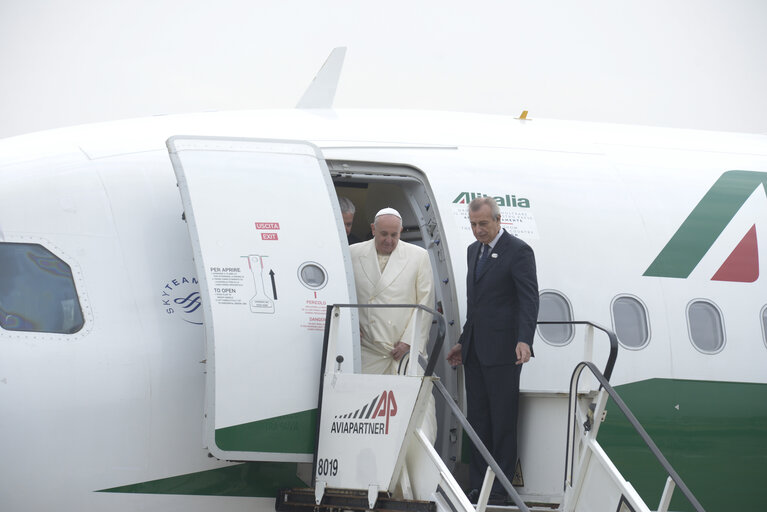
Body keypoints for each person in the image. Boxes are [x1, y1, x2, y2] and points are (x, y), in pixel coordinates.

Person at [446, 196, 539, 503]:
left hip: (504, 352)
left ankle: (500, 489)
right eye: (473, 225)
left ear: (499, 220)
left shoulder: (519, 252)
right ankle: (478, 486)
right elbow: (477, 306)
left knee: (502, 422)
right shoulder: (474, 251)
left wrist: (525, 339)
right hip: (476, 350)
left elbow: (528, 299)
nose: (478, 230)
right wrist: (464, 340)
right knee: (479, 421)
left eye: (483, 224)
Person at [350, 207, 434, 376]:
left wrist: (408, 341)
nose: (389, 240)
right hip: (367, 350)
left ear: (400, 232)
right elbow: (343, 294)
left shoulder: (419, 256)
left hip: (403, 351)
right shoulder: (352, 253)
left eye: (394, 235)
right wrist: (349, 325)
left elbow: (425, 303)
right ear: (373, 229)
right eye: (384, 234)